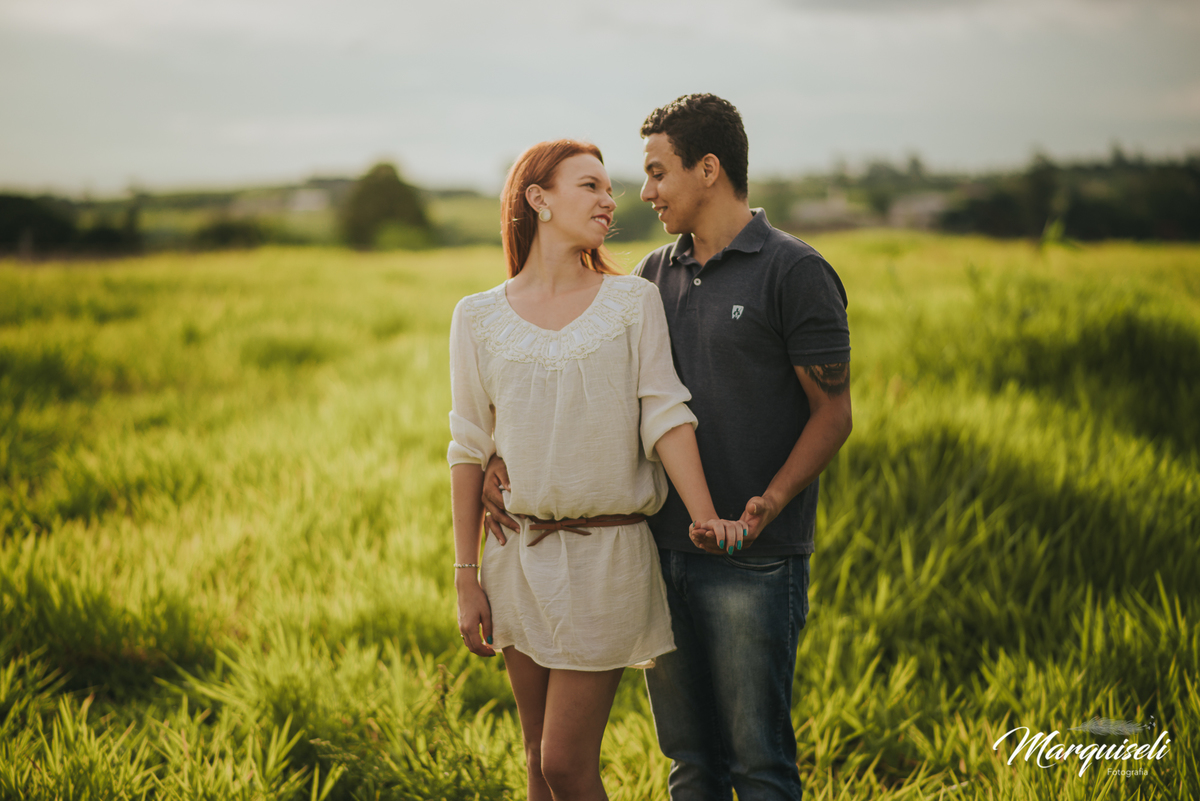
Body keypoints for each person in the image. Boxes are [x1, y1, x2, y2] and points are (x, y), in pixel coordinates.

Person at [483, 96, 853, 800]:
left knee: (758, 761)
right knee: (689, 759)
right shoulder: (652, 275)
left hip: (754, 555)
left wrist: (769, 504)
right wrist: (502, 460)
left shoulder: (794, 270)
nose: (644, 192)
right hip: (657, 549)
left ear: (708, 169)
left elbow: (833, 414)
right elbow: (591, 389)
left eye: (657, 173)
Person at [448, 138, 743, 801]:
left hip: (607, 557)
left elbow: (664, 413)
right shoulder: (476, 316)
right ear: (538, 199)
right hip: (515, 555)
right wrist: (466, 574)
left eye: (611, 188)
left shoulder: (632, 302)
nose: (611, 200)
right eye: (591, 186)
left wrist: (704, 516)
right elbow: (468, 445)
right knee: (534, 757)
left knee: (564, 762)